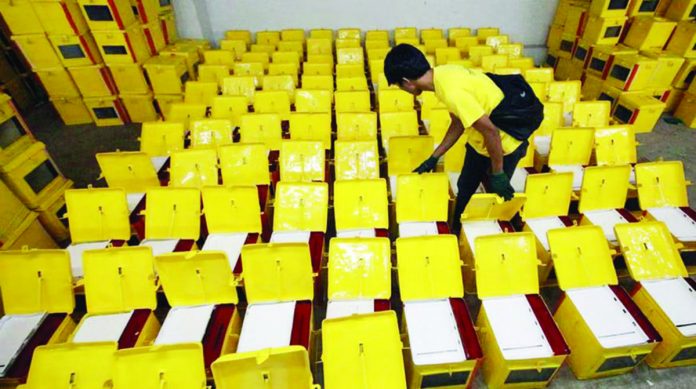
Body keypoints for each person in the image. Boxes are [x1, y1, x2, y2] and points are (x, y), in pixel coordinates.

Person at [384, 43, 543, 235]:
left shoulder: (451, 92)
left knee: (494, 193)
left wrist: (498, 172)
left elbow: (491, 132)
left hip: (505, 145)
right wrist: (434, 158)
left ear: (407, 81)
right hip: (480, 142)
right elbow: (458, 123)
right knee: (465, 186)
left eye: (399, 86)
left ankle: (483, 236)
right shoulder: (444, 74)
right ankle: (457, 229)